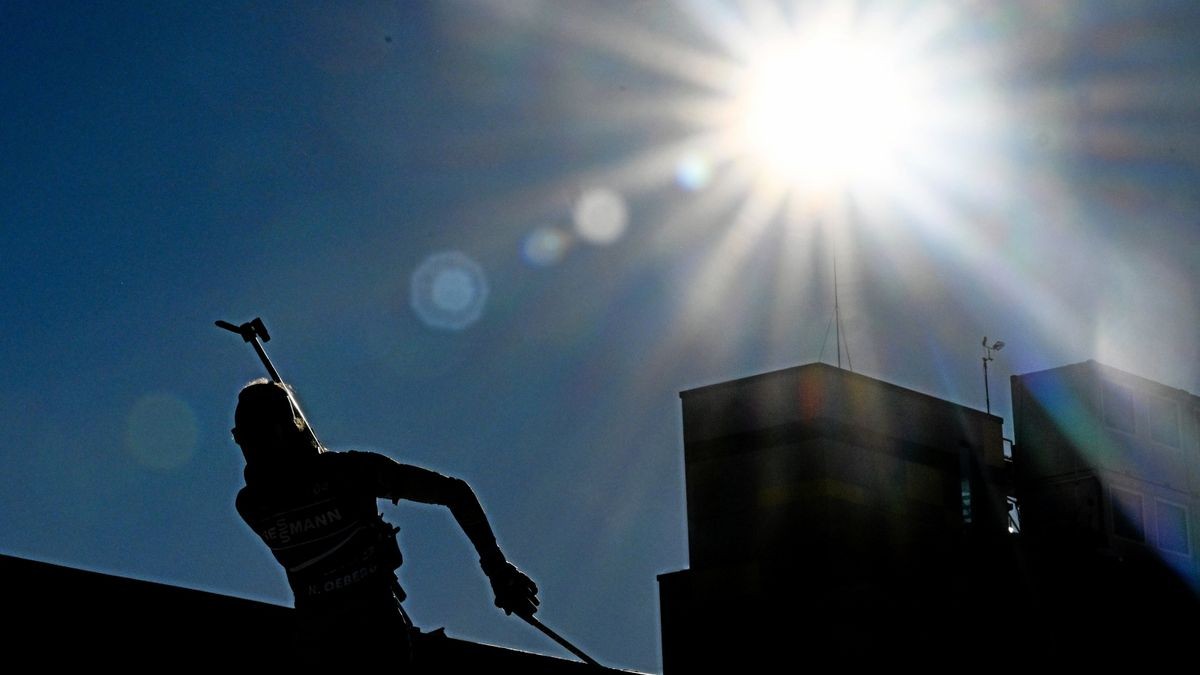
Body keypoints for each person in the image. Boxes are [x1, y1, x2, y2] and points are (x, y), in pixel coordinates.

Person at [230, 379, 539, 667]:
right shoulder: (338, 476)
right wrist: (496, 568)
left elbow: (454, 492)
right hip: (352, 640)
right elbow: (454, 493)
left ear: (279, 431)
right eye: (240, 437)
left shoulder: (260, 502)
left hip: (342, 641)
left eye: (249, 435)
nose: (244, 446)